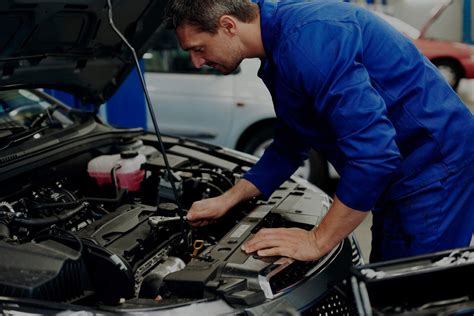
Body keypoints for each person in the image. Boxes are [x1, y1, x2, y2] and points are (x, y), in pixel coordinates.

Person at [165, 0, 474, 262]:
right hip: (400, 169)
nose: (196, 61)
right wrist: (229, 199)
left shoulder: (308, 41)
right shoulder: (278, 48)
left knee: (415, 293)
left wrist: (317, 241)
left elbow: (375, 158)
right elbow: (290, 142)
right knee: (383, 279)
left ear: (228, 25)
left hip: (434, 166)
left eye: (199, 48)